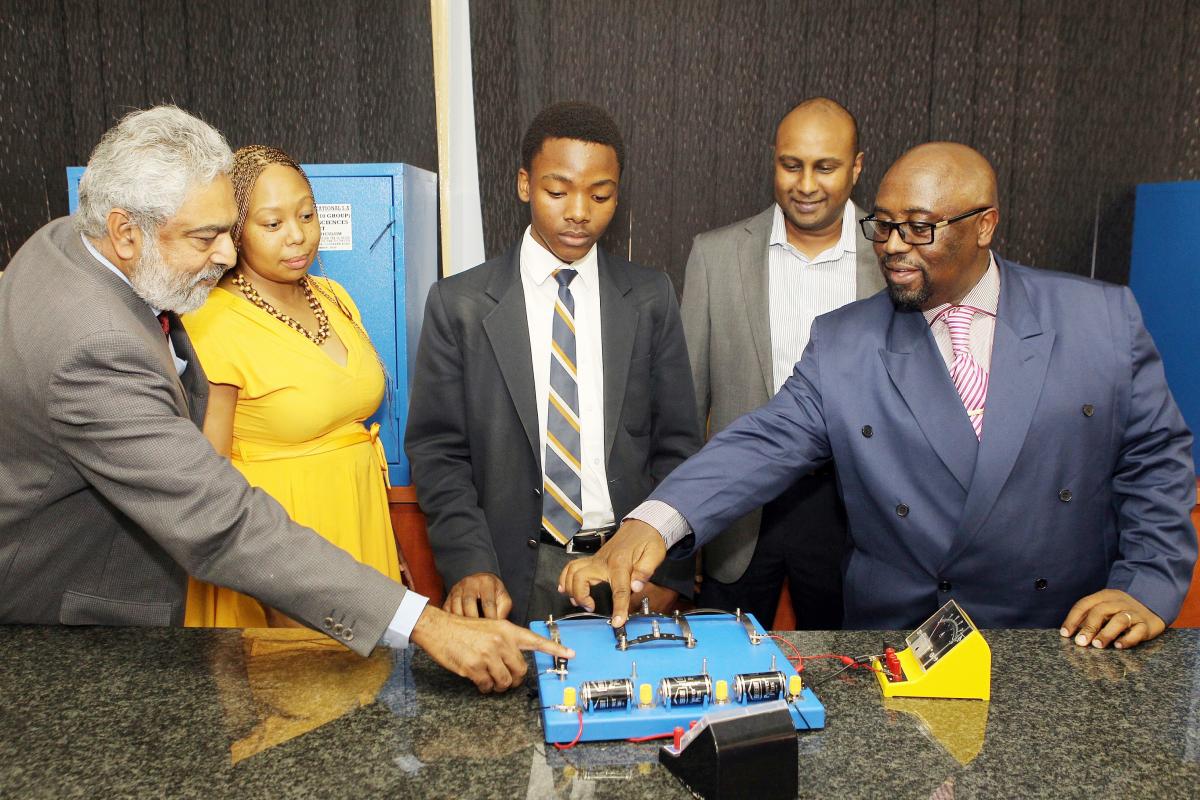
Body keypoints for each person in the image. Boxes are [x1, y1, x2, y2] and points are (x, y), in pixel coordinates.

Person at [0, 105, 570, 693]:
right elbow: (216, 520)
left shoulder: (67, 240)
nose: (226, 254)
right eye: (206, 236)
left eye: (229, 228)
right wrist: (424, 623)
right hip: (61, 627)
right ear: (124, 232)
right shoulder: (95, 344)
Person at [559, 142, 1197, 651]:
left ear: (985, 226)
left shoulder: (1100, 319)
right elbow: (762, 442)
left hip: (1059, 635)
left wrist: (1145, 585)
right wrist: (654, 520)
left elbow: (1157, 464)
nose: (892, 246)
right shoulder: (845, 341)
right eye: (883, 226)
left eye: (918, 229)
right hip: (904, 643)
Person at [405, 101, 702, 626]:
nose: (579, 211)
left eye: (601, 194)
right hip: (510, 571)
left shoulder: (650, 297)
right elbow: (439, 452)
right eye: (557, 191)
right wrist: (470, 563)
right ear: (525, 184)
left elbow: (677, 445)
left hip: (625, 564)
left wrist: (667, 575)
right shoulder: (461, 305)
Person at [183, 145, 407, 628]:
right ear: (236, 232)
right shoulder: (213, 322)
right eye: (272, 223)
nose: (298, 236)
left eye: (307, 214)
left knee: (368, 692)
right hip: (282, 550)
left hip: (358, 522)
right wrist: (271, 590)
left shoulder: (335, 297)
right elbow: (211, 478)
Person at [681, 97, 883, 628]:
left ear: (857, 167)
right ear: (773, 159)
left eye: (826, 166)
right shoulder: (715, 255)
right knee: (721, 682)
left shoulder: (894, 258)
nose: (807, 184)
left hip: (855, 517)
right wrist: (686, 528)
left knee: (847, 682)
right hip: (737, 517)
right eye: (792, 165)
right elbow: (685, 408)